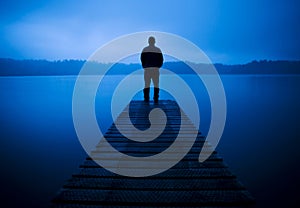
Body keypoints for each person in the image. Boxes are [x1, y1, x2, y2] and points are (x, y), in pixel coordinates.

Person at [140, 36, 163, 103]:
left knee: (147, 84)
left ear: (149, 42)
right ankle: (155, 98)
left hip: (148, 70)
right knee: (156, 84)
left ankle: (146, 98)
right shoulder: (158, 50)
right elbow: (161, 60)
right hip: (155, 70)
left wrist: (144, 66)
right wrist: (158, 66)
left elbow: (142, 59)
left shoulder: (145, 49)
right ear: (154, 42)